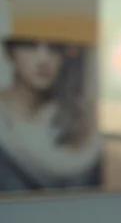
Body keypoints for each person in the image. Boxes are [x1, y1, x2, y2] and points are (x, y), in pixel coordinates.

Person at [0, 36, 103, 192]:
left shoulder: (81, 121)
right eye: (30, 46)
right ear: (10, 51)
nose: (43, 60)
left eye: (54, 47)